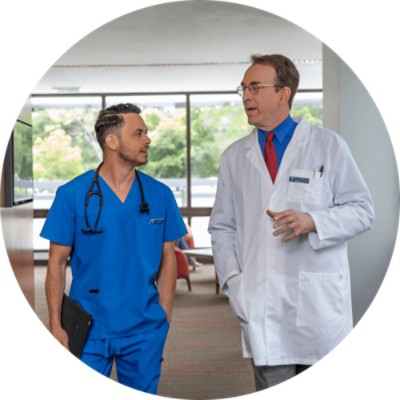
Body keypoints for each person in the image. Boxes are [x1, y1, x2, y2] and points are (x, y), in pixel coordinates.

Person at [208, 54, 374, 390]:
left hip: (318, 306)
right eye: (243, 88)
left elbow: (362, 210)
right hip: (261, 304)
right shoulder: (233, 157)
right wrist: (234, 282)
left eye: (255, 87)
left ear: (284, 94)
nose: (246, 97)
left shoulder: (328, 146)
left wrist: (313, 220)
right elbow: (221, 228)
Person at [41, 103, 187, 394]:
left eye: (146, 132)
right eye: (138, 133)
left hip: (144, 328)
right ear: (112, 141)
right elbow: (56, 264)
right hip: (88, 327)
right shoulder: (71, 195)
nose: (148, 139)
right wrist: (56, 326)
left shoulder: (160, 195)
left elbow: (168, 258)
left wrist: (164, 316)